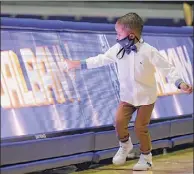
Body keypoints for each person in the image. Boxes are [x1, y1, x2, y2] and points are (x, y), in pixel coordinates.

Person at [64, 13, 193, 171]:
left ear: (131, 35)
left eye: (119, 33)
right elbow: (101, 59)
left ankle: (146, 158)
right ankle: (125, 145)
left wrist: (180, 83)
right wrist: (79, 64)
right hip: (127, 97)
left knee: (140, 127)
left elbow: (167, 69)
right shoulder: (118, 50)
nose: (117, 37)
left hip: (146, 98)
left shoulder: (149, 51)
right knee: (118, 122)